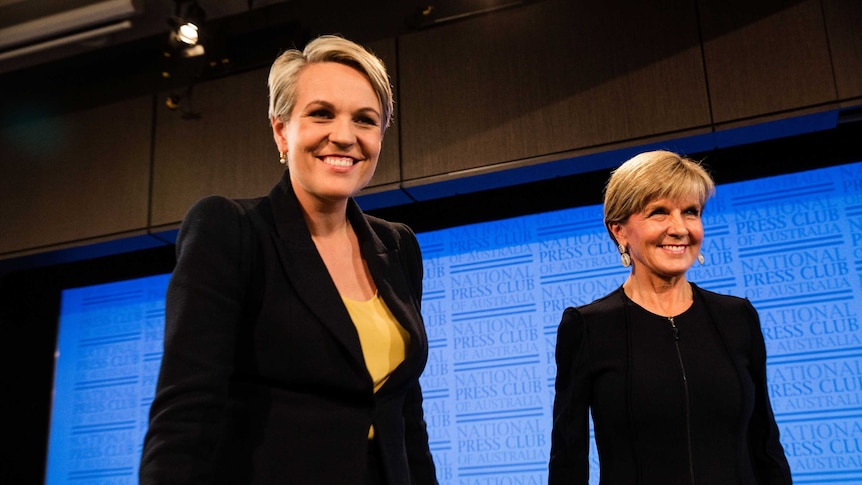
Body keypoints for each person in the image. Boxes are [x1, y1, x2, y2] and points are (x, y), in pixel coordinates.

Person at [140, 35, 437, 485]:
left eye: (365, 120)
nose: (344, 135)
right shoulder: (229, 228)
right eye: (321, 114)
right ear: (281, 130)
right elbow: (186, 411)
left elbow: (406, 419)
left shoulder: (399, 247)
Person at [548, 150, 792, 484]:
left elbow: (765, 444)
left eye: (690, 212)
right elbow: (568, 459)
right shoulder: (588, 327)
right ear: (619, 231)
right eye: (659, 212)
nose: (679, 228)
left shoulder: (737, 317)